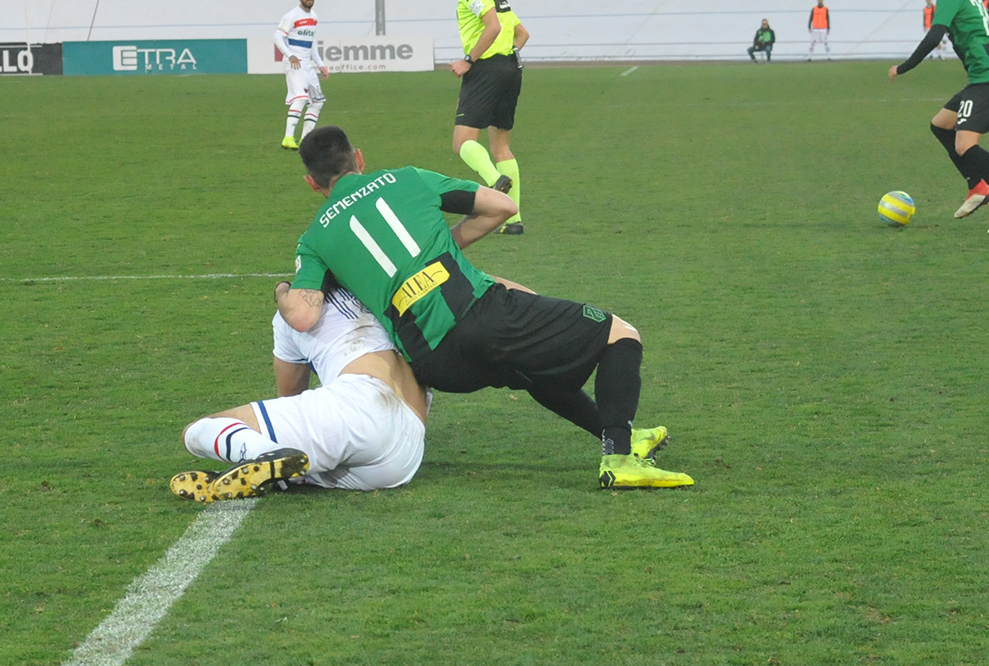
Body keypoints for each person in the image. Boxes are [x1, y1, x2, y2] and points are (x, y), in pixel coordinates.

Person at [277, 126, 694, 490]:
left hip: (433, 365)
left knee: (530, 369)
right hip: (482, 318)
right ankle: (620, 458)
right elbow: (503, 207)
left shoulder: (314, 239)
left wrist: (282, 290)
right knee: (621, 333)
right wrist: (445, 247)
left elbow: (303, 316)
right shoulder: (407, 179)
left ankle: (619, 435)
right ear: (359, 158)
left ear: (312, 183)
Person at [171, 287, 429, 502]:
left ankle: (263, 452)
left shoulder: (294, 311)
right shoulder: (386, 295)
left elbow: (289, 394)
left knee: (199, 430)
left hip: (359, 408)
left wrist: (281, 291)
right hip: (405, 455)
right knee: (313, 466)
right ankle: (277, 474)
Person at [890, 0, 989, 222]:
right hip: (981, 77)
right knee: (941, 124)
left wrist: (903, 67)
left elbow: (934, 37)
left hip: (985, 79)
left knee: (964, 145)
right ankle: (977, 185)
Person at [450, 0, 529, 235]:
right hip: (511, 69)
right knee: (501, 147)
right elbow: (522, 35)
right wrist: (504, 61)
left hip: (485, 70)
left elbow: (493, 27)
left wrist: (468, 60)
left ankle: (496, 181)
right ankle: (513, 221)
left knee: (462, 142)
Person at [273, 0, 328, 151]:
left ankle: (305, 141)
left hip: (307, 64)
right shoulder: (292, 15)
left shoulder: (314, 17)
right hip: (294, 62)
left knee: (317, 102)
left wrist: (320, 64)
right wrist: (290, 55)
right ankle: (288, 138)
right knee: (301, 98)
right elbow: (277, 36)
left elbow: (311, 42)